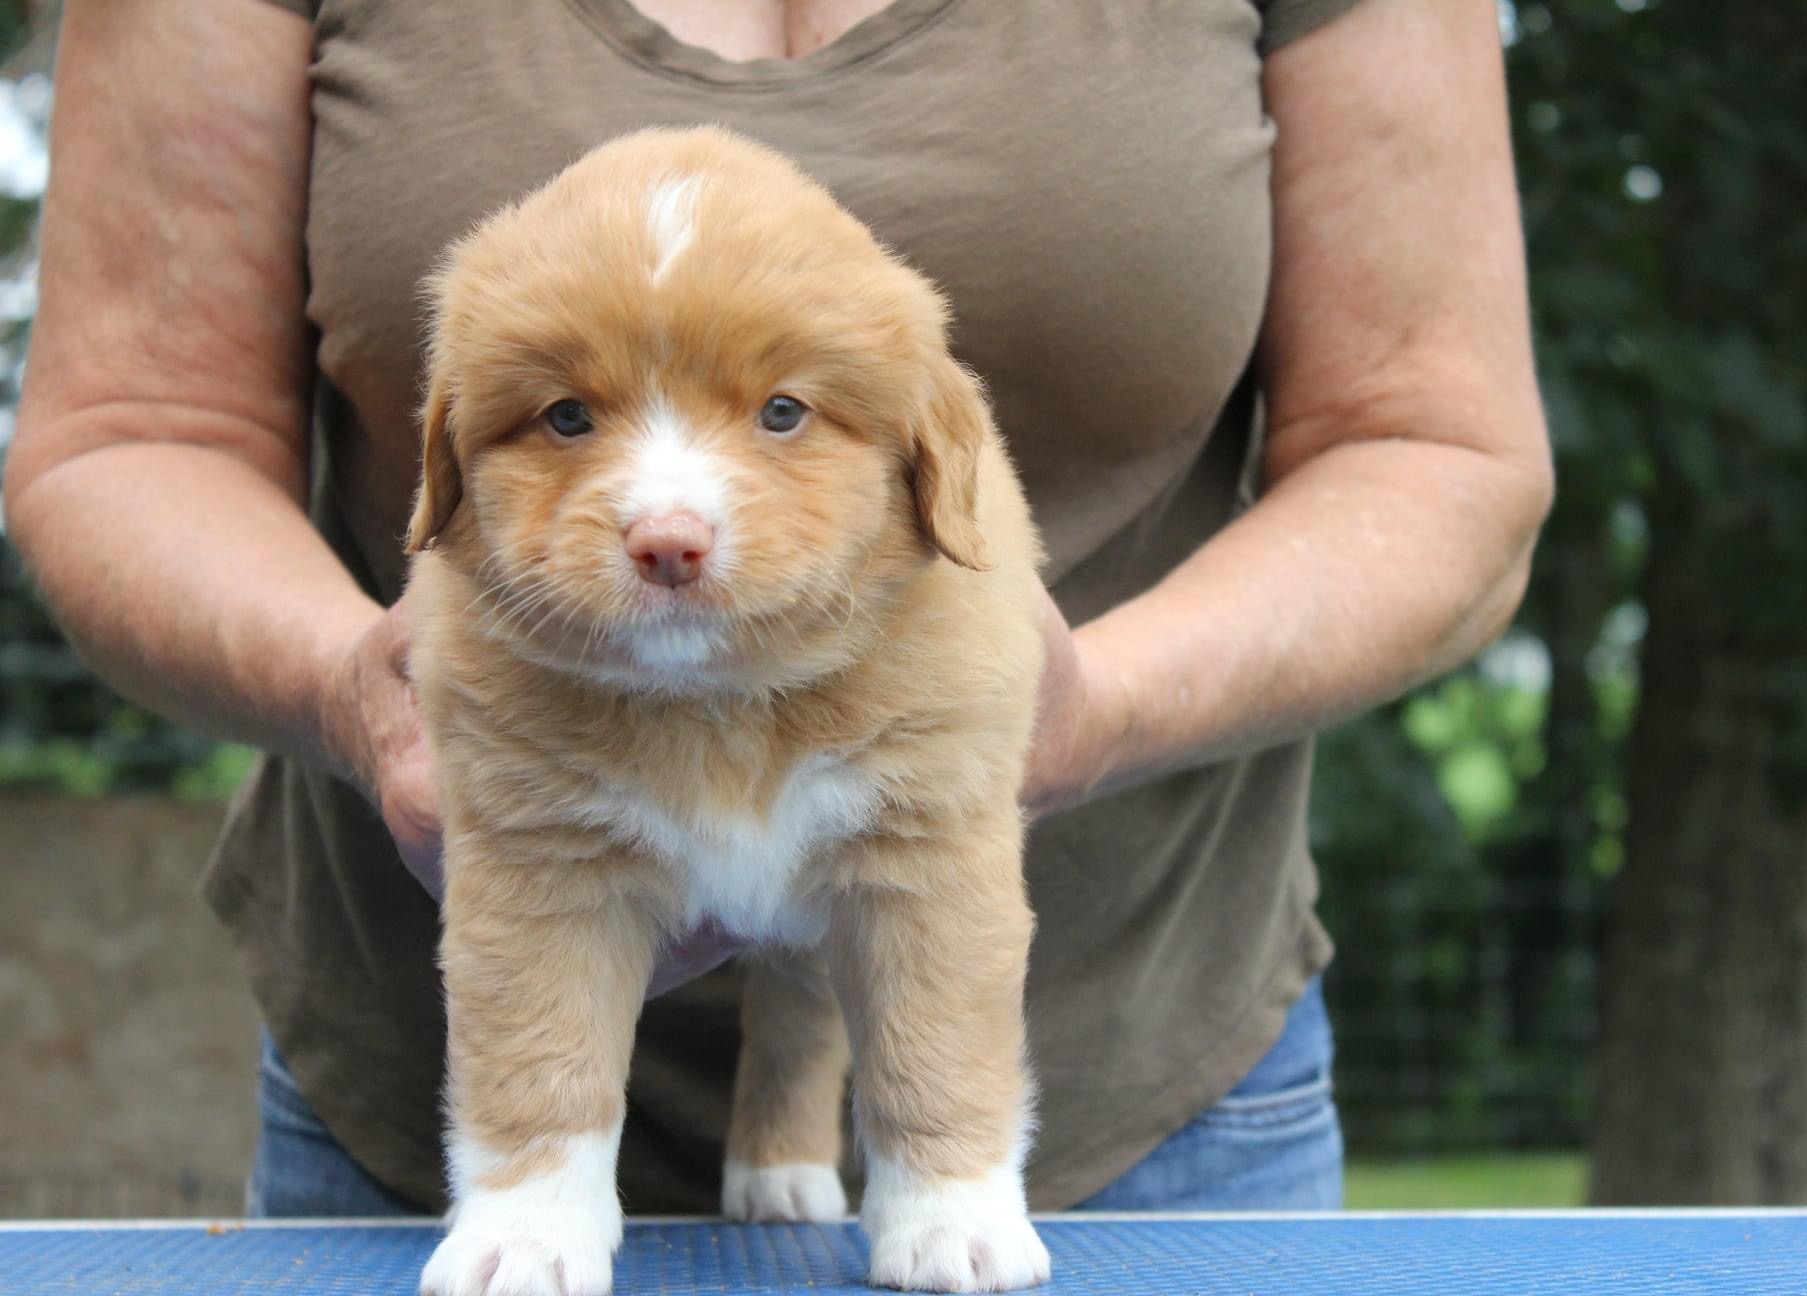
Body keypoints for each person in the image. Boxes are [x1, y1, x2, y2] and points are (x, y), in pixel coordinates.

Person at [3, 0, 1552, 1217]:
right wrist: (360, 686)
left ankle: (904, 1147)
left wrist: (1083, 711)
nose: (668, 515)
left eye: (784, 416)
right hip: (406, 1125)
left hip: (1152, 1098)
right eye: (564, 420)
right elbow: (133, 430)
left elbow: (1440, 452)